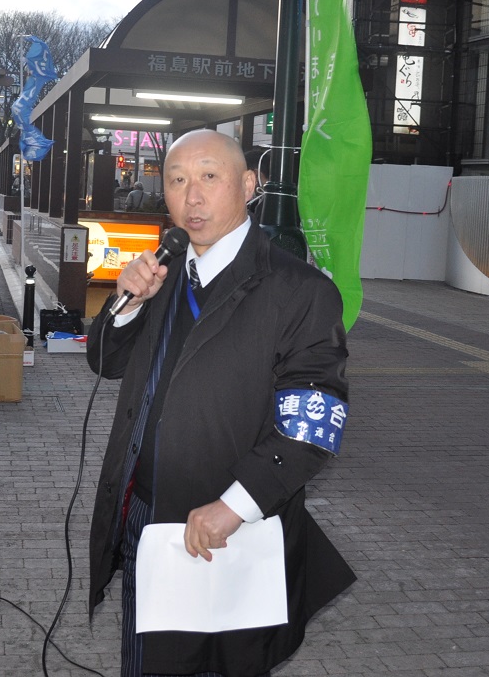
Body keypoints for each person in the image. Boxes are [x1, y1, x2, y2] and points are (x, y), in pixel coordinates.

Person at [87, 130, 355, 677]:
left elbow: (312, 422)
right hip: (147, 518)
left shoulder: (299, 290)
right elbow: (104, 360)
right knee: (146, 662)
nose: (192, 197)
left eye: (209, 176)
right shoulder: (164, 270)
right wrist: (127, 301)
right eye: (177, 180)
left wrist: (234, 506)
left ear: (249, 184)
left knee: (225, 664)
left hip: (234, 531)